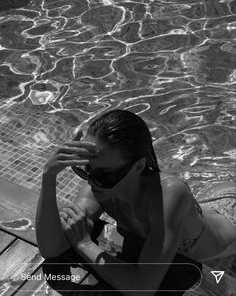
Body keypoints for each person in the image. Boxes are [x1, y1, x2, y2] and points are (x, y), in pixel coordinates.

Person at [36, 110, 236, 295]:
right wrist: (49, 176)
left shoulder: (169, 194)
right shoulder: (99, 185)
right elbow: (52, 249)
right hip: (207, 204)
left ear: (139, 166)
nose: (91, 180)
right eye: (87, 168)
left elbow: (142, 288)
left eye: (105, 174)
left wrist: (84, 244)